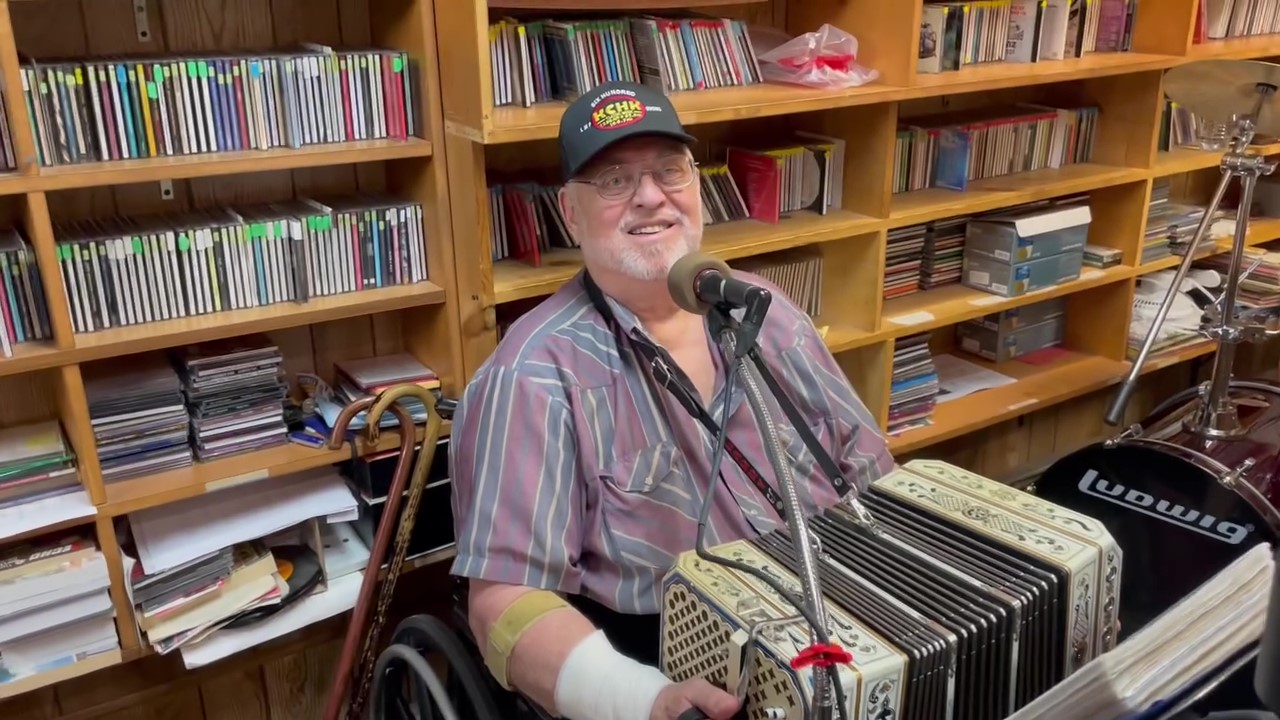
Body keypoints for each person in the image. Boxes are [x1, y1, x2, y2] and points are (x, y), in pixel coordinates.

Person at [449, 80, 895, 720]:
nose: (651, 196)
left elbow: (874, 474)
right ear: (570, 213)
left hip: (846, 623)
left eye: (669, 170)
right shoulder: (533, 375)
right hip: (678, 670)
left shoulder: (767, 312)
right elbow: (503, 605)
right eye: (614, 181)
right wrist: (644, 700)